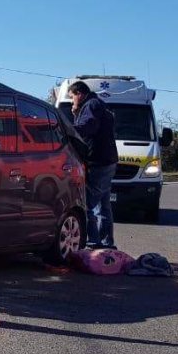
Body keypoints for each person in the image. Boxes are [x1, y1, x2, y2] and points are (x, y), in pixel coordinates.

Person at [69, 81, 119, 249]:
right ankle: (106, 243)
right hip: (107, 160)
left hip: (98, 161)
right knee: (103, 205)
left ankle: (93, 242)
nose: (72, 101)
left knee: (88, 205)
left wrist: (68, 128)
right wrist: (76, 113)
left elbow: (87, 128)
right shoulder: (100, 104)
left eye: (72, 97)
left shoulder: (91, 105)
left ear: (79, 94)